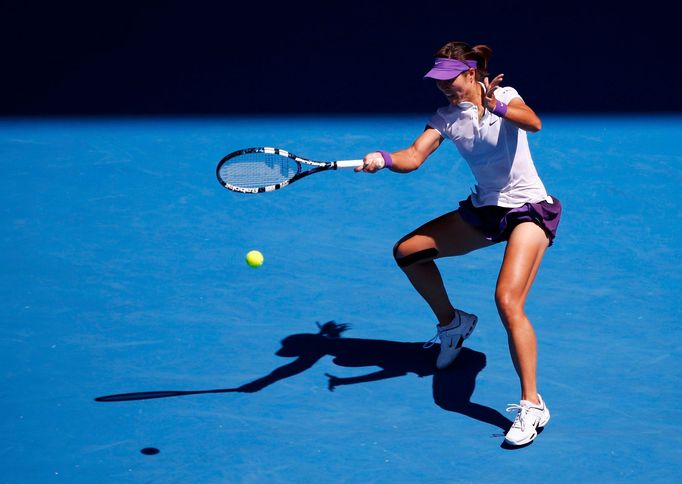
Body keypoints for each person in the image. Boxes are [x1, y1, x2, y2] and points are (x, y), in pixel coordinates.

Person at [355, 41, 561, 446]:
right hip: (484, 211)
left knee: (507, 300)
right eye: (439, 83)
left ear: (471, 73)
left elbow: (533, 123)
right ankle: (453, 323)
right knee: (408, 252)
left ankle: (532, 404)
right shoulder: (446, 118)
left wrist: (494, 105)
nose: (446, 89)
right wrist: (383, 157)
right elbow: (413, 156)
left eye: (452, 81)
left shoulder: (503, 95)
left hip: (528, 210)